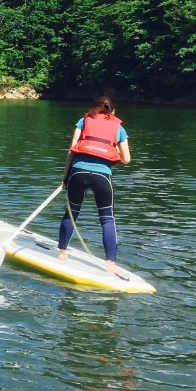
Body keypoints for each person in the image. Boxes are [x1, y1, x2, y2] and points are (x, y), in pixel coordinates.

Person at [58, 96, 130, 276]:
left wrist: (65, 177)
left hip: (77, 174)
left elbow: (71, 150)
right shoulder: (119, 128)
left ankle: (62, 253)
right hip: (102, 177)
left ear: (94, 109)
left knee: (72, 213)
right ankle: (111, 264)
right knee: (107, 219)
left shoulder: (83, 121)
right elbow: (127, 160)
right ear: (111, 111)